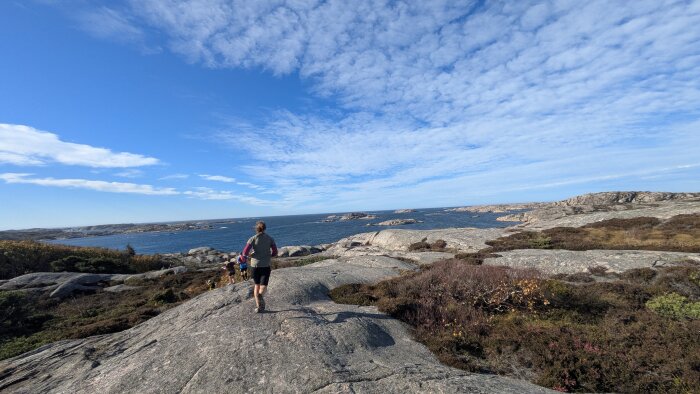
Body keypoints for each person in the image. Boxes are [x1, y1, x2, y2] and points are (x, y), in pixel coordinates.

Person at [240, 221, 277, 313]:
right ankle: (261, 296)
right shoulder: (270, 239)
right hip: (265, 265)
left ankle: (259, 307)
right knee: (263, 285)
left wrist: (249, 256)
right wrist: (269, 255)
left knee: (256, 285)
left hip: (254, 265)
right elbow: (275, 252)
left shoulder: (252, 239)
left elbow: (244, 253)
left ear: (256, 229)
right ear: (265, 228)